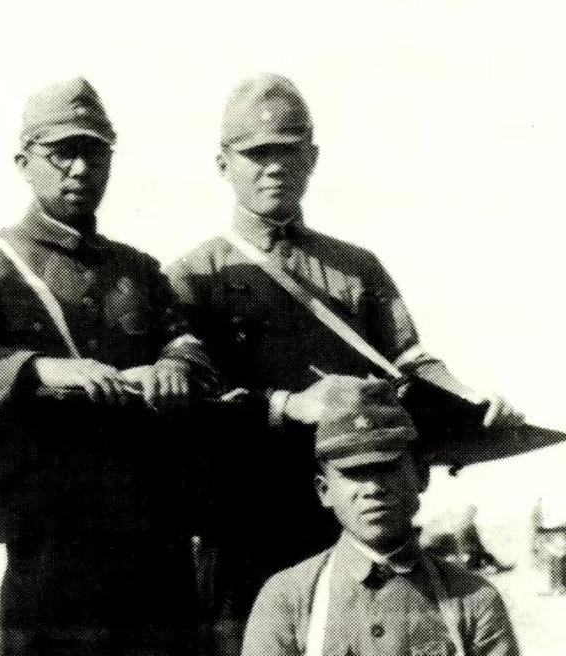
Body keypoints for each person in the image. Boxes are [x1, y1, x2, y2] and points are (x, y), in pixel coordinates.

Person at [163, 73, 525, 647]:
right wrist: (288, 405)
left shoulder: (357, 269)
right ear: (222, 164)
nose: (273, 168)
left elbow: (412, 362)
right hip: (246, 517)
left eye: (288, 152)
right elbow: (190, 405)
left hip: (352, 512)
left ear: (312, 158)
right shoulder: (192, 277)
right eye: (256, 155)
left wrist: (471, 401)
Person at [0, 77, 229, 656]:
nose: (80, 169)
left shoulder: (139, 270)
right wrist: (39, 369)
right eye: (62, 153)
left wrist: (174, 364)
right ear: (24, 162)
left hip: (151, 520)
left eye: (94, 152)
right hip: (49, 528)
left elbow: (191, 345)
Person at [241, 393, 521, 656]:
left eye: (388, 468)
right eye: (353, 472)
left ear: (421, 476)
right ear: (324, 491)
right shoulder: (288, 599)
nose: (373, 488)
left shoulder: (474, 600)